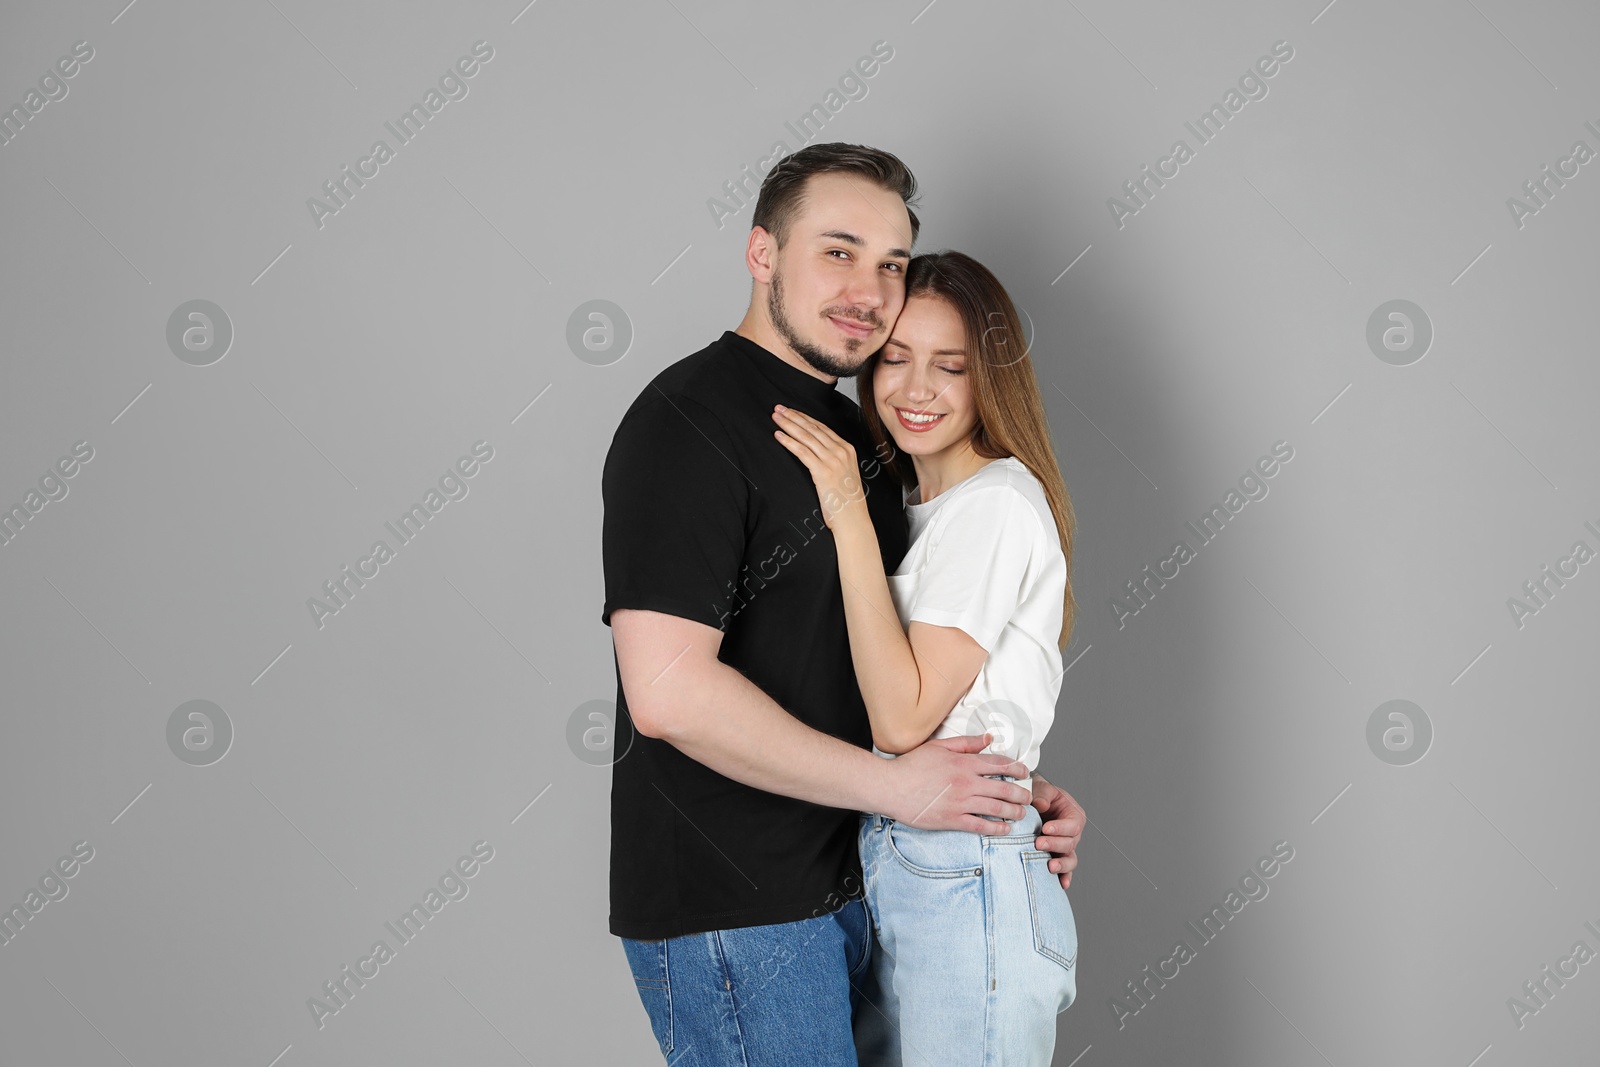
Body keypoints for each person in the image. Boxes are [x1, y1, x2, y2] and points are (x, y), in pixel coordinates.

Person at [601, 142, 1086, 1065]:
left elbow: (874, 660)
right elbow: (666, 690)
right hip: (738, 909)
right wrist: (902, 786)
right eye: (837, 250)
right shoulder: (689, 421)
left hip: (861, 881)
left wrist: (1006, 781)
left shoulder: (861, 442)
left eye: (890, 263)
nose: (867, 287)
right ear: (762, 254)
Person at [771, 250, 1079, 1065]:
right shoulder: (924, 510)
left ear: (992, 379)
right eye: (896, 359)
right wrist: (1035, 786)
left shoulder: (995, 504)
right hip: (920, 859)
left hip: (963, 868)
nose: (914, 389)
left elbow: (906, 718)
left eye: (951, 366)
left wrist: (843, 510)